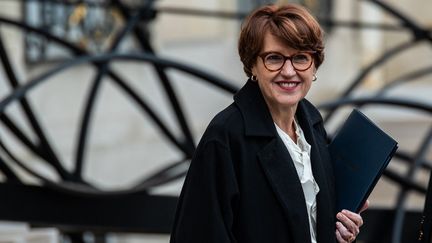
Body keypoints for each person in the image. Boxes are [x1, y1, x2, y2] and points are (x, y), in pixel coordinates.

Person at [170, 3, 368, 243]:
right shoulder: (225, 136)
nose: (288, 71)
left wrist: (343, 234)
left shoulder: (312, 126)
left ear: (314, 64)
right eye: (274, 58)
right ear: (253, 65)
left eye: (301, 58)